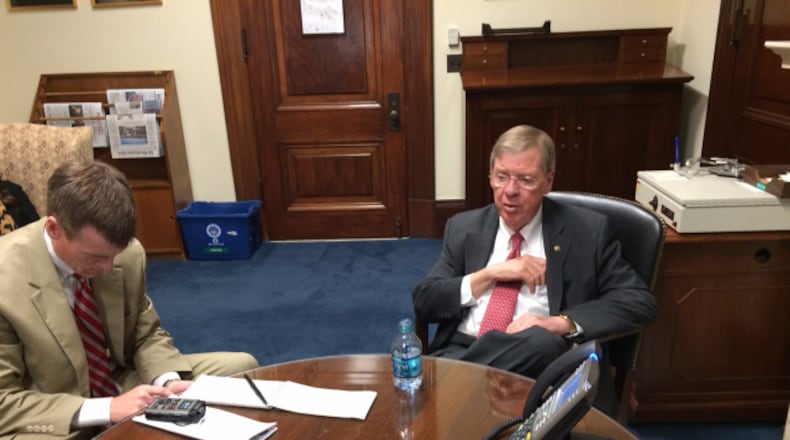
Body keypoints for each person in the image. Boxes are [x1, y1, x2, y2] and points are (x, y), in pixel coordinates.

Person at [0, 159, 259, 439]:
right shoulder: (6, 280)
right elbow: (4, 401)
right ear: (54, 229)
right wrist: (106, 408)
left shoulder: (128, 254)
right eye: (96, 257)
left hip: (122, 380)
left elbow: (145, 334)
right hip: (52, 407)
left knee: (240, 368)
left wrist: (167, 380)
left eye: (114, 254)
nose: (109, 268)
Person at [412, 124, 657, 414]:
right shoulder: (465, 228)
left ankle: (452, 390)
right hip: (465, 348)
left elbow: (638, 301)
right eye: (501, 177)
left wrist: (560, 323)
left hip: (545, 368)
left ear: (548, 181)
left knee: (543, 342)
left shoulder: (587, 231)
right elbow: (425, 300)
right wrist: (489, 274)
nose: (510, 191)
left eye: (525, 180)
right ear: (490, 176)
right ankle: (463, 389)